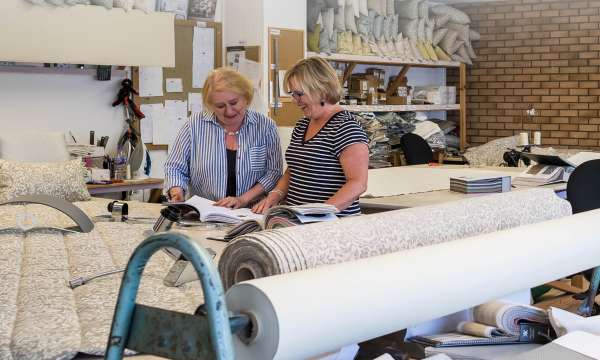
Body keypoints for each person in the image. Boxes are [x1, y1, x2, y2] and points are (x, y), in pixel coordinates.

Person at [253, 57, 369, 216]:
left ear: (321, 90)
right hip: (298, 221)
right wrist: (276, 194)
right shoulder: (302, 125)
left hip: (329, 225)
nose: (295, 101)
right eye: (292, 94)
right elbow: (294, 170)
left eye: (299, 94)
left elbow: (357, 184)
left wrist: (318, 214)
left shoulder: (346, 127)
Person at [164, 67, 283, 208]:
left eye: (233, 103)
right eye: (220, 106)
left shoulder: (265, 127)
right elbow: (175, 166)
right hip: (206, 213)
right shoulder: (194, 126)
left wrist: (242, 199)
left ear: (246, 97)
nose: (229, 111)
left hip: (251, 213)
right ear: (210, 105)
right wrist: (177, 191)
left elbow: (273, 172)